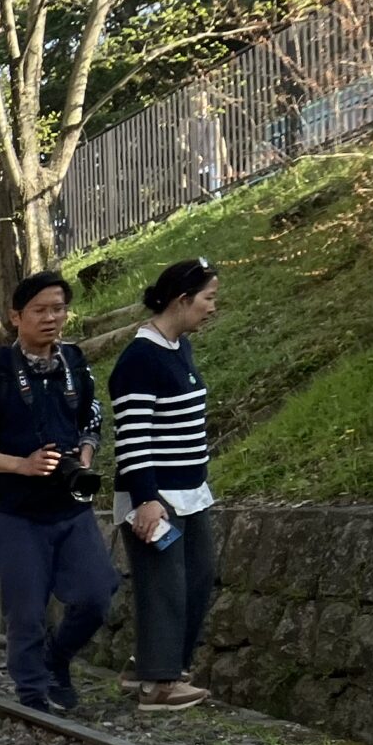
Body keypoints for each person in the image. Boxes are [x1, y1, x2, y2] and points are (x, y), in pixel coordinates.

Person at [0, 269, 115, 714]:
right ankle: (33, 696)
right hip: (15, 511)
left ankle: (56, 660)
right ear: (16, 317)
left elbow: (91, 418)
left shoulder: (75, 363)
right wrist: (21, 466)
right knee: (26, 613)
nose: (51, 318)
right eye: (40, 310)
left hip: (70, 507)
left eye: (59, 309)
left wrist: (84, 454)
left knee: (96, 596)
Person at [111, 258, 220, 711]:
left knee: (197, 580)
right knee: (164, 587)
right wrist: (147, 502)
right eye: (208, 298)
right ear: (182, 299)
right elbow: (133, 439)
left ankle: (157, 665)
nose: (213, 308)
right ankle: (159, 685)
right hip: (155, 498)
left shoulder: (180, 349)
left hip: (192, 492)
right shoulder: (140, 359)